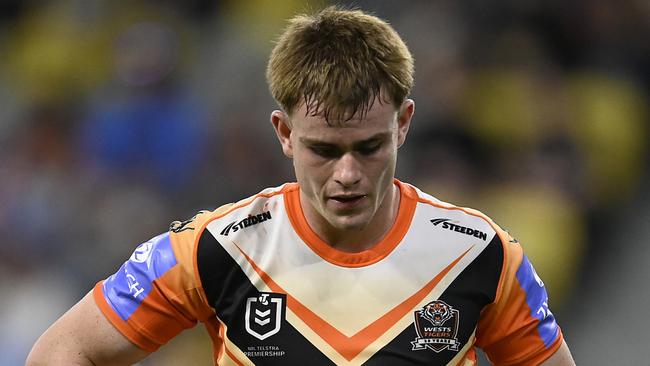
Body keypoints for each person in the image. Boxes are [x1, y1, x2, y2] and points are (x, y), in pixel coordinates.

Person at [27, 6, 575, 366]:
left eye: (369, 147)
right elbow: (61, 352)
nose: (347, 175)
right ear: (284, 133)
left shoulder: (481, 255)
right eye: (323, 149)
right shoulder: (217, 248)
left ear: (403, 124)